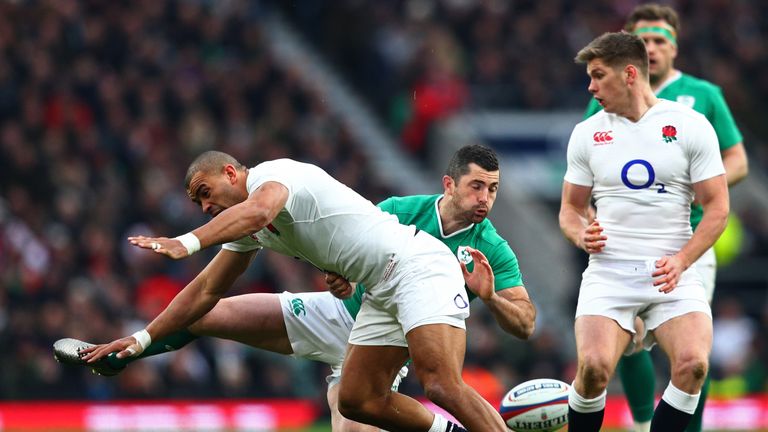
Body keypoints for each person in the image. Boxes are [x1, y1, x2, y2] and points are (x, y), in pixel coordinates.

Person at [55, 144, 535, 431]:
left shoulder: (272, 176)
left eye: (206, 194)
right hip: (373, 294)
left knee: (442, 384)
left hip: (419, 270)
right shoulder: (248, 226)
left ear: (231, 173)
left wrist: (187, 241)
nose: (204, 208)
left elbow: (261, 210)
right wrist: (137, 342)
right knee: (355, 399)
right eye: (197, 205)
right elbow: (204, 292)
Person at [582, 5, 748, 432]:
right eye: (645, 41)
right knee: (630, 341)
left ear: (675, 47)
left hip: (692, 239)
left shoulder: (702, 95)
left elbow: (738, 161)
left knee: (692, 352)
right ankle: (641, 424)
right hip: (625, 248)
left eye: (660, 41)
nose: (652, 48)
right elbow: (589, 171)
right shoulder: (602, 104)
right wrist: (591, 219)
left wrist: (697, 184)